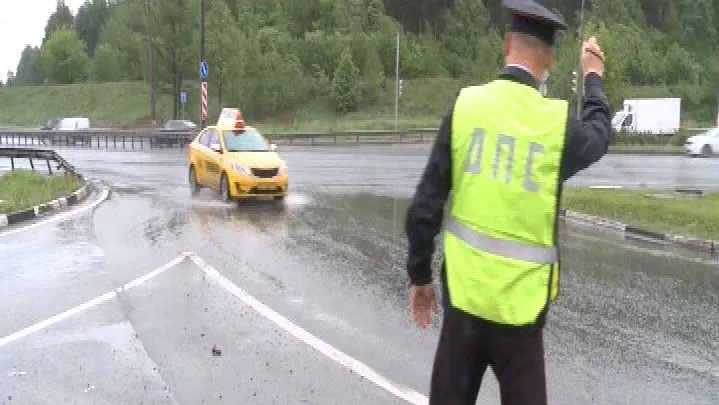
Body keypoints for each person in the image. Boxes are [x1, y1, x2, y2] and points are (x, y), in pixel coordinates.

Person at [403, 1, 612, 404]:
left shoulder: (466, 107)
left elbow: (425, 206)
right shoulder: (556, 125)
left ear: (506, 46)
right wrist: (592, 77)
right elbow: (599, 134)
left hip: (464, 305)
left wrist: (420, 277)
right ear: (550, 57)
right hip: (521, 318)